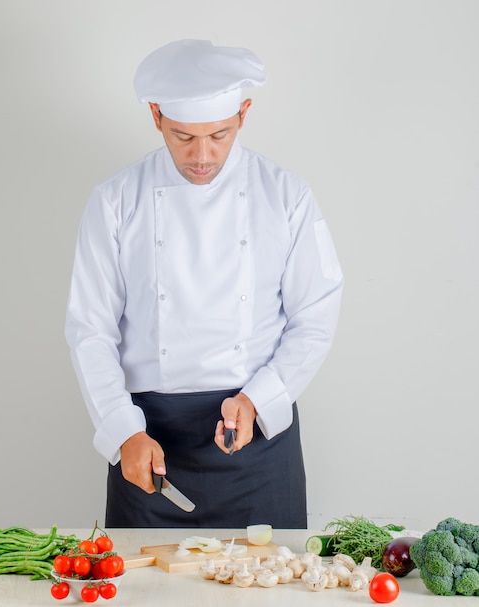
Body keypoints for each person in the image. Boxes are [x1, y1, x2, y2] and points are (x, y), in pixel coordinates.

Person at [65, 39, 344, 529]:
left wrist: (257, 398)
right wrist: (122, 430)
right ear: (155, 116)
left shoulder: (286, 196)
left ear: (243, 113)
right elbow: (90, 329)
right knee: (145, 601)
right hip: (149, 443)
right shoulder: (114, 200)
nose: (201, 155)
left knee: (270, 597)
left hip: (256, 436)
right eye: (182, 136)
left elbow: (315, 316)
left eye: (219, 135)